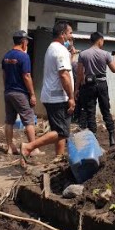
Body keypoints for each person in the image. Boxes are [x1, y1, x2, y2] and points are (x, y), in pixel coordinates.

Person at [21, 21, 75, 164]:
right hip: (58, 97)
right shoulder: (60, 50)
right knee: (62, 131)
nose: (71, 37)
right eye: (70, 33)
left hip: (53, 95)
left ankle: (58, 158)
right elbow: (64, 75)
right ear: (62, 34)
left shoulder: (53, 48)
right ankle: (29, 146)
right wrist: (71, 97)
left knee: (60, 131)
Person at [76, 32, 115, 147]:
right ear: (100, 40)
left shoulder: (83, 54)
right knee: (106, 110)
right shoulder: (105, 54)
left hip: (88, 84)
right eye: (103, 40)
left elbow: (80, 74)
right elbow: (114, 69)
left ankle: (94, 137)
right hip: (102, 84)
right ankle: (112, 137)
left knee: (90, 111)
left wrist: (76, 89)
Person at [1, 30, 37, 155]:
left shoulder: (6, 56)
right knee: (29, 120)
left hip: (8, 92)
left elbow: (4, 75)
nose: (27, 43)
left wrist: (7, 88)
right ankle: (33, 148)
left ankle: (10, 147)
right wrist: (32, 94)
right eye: (27, 41)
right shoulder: (24, 56)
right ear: (23, 42)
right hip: (20, 93)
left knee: (9, 120)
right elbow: (26, 75)